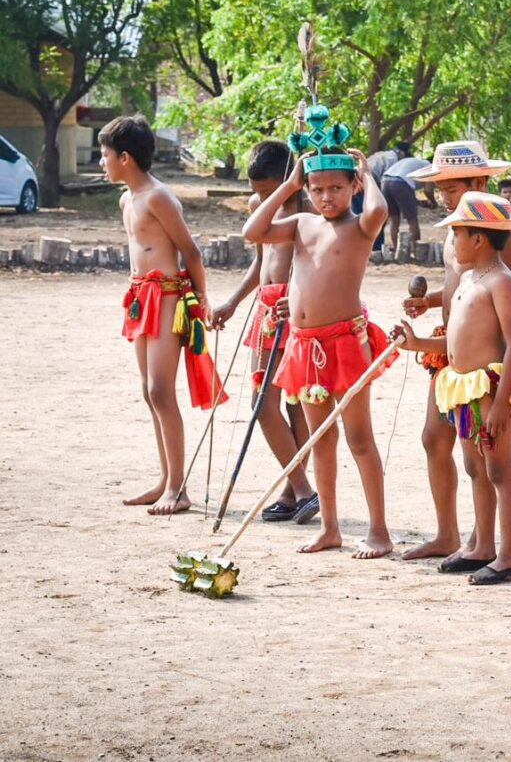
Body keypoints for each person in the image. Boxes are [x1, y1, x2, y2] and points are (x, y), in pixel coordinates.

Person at [243, 138, 397, 559]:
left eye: (337, 188)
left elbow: (379, 211)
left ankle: (378, 530)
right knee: (320, 440)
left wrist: (367, 175)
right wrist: (288, 186)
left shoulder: (360, 227)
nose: (326, 196)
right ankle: (330, 528)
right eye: (317, 188)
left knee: (359, 438)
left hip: (345, 344)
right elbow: (251, 231)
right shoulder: (300, 225)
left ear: (353, 188)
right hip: (303, 346)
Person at [402, 141, 511, 570]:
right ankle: (460, 536)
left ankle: (493, 547)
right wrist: (427, 315)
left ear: (479, 182)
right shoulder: (459, 238)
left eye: (451, 186)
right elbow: (464, 289)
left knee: (492, 463)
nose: (444, 196)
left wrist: (503, 385)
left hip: (485, 364)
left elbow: (508, 299)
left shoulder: (496, 232)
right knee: (454, 448)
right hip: (452, 354)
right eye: (440, 188)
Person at [106, 114, 226, 516]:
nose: (102, 163)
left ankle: (179, 487)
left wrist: (202, 300)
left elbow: (190, 252)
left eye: (106, 155)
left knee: (160, 390)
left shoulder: (158, 196)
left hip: (170, 298)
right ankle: (165, 480)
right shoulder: (127, 198)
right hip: (142, 297)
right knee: (148, 391)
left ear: (125, 157)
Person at [211, 140, 317, 523]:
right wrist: (234, 302)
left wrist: (303, 298)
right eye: (257, 192)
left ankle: (297, 490)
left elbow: (320, 266)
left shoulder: (308, 209)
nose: (263, 198)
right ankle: (300, 489)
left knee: (295, 404)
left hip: (298, 312)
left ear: (290, 180)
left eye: (272, 190)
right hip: (267, 312)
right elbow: (261, 265)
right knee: (264, 404)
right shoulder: (260, 209)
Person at [379, 152, 437, 254]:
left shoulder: (414, 162)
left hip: (385, 181)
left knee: (394, 219)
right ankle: (416, 250)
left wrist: (418, 202)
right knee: (412, 220)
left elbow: (404, 192)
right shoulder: (430, 167)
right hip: (401, 183)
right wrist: (433, 203)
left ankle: (397, 250)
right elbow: (428, 190)